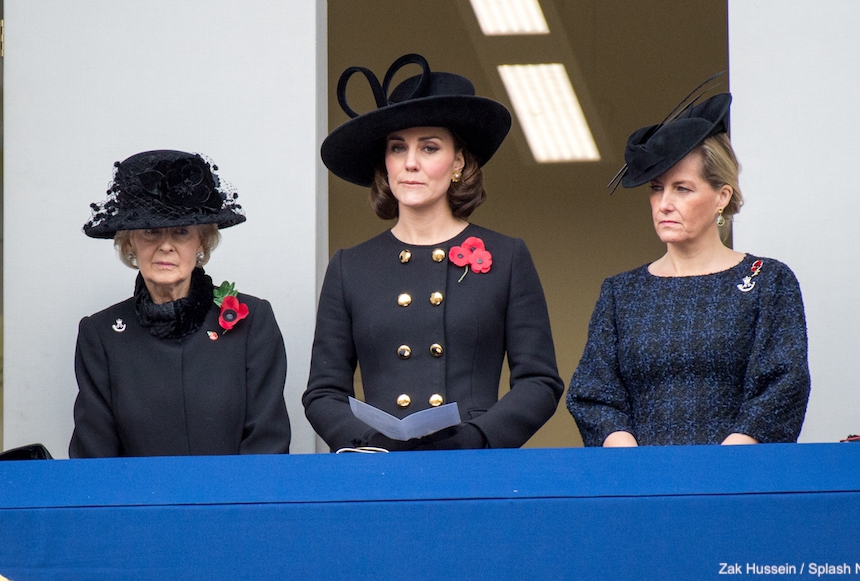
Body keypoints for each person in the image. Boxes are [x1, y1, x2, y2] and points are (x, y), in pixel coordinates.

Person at [304, 54, 564, 451]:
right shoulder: (350, 267)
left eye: (429, 148)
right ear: (385, 164)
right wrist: (367, 444)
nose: (410, 163)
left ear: (457, 162)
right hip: (379, 467)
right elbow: (323, 392)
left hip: (474, 467)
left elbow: (540, 381)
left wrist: (478, 438)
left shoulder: (507, 256)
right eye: (397, 148)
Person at [567, 91, 811, 446]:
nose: (664, 204)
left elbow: (783, 384)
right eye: (656, 189)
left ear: (722, 196)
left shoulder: (767, 279)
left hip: (738, 481)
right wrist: (628, 457)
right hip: (643, 484)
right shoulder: (622, 292)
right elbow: (594, 392)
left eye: (682, 189)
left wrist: (725, 463)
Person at [70, 150, 290, 457]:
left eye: (181, 231)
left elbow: (268, 445)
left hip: (234, 503)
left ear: (201, 241)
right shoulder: (101, 334)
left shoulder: (253, 321)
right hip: (138, 505)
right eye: (150, 231)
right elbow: (94, 460)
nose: (165, 246)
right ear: (130, 241)